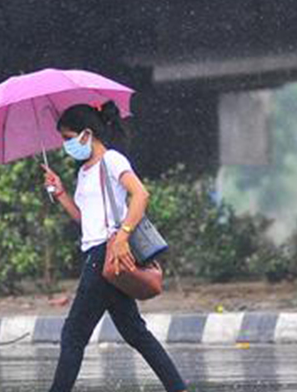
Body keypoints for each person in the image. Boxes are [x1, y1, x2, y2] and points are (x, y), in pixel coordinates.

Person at [42, 102, 187, 392]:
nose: (66, 145)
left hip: (105, 254)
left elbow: (140, 195)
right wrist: (60, 193)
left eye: (69, 138)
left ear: (87, 134)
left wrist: (122, 236)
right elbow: (87, 220)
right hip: (102, 254)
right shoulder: (84, 171)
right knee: (135, 332)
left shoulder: (112, 161)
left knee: (73, 335)